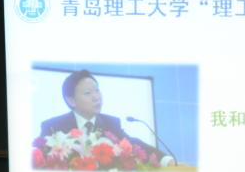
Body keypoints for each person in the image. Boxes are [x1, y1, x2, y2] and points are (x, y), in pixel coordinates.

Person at [39, 69, 173, 164]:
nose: (96, 97)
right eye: (88, 93)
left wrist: (165, 160)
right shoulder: (53, 127)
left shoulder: (111, 124)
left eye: (97, 90)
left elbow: (133, 144)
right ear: (71, 100)